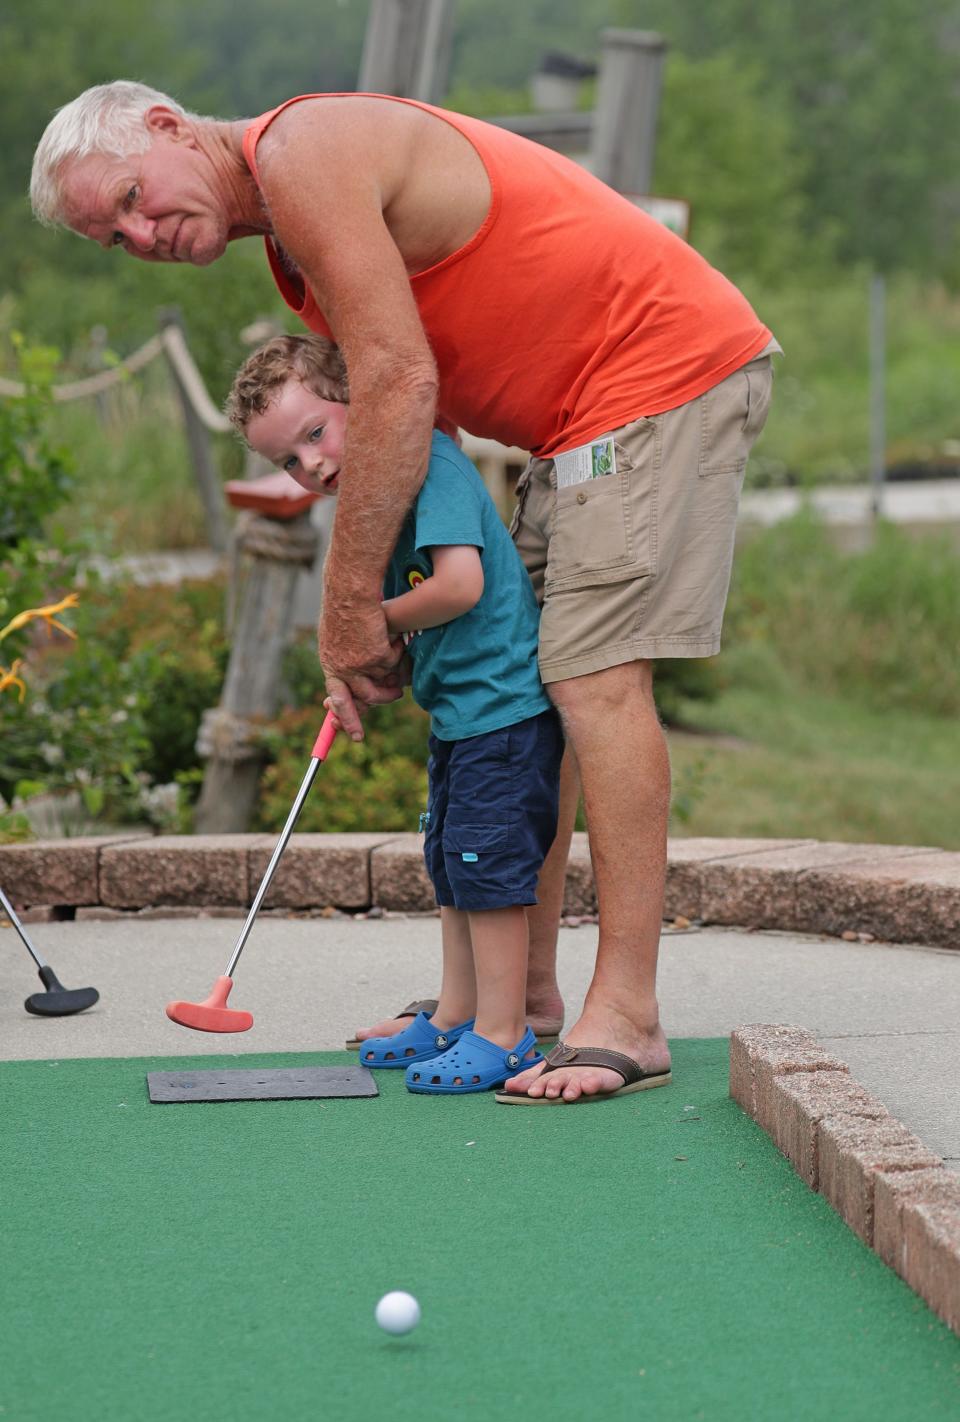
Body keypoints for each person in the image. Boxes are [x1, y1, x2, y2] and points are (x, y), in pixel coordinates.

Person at [31, 81, 778, 1103]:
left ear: (167, 128)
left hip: (654, 372)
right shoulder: (292, 249)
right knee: (531, 682)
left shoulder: (303, 151)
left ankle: (632, 1014)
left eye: (130, 197)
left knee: (597, 677)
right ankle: (521, 1000)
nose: (138, 231)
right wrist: (396, 597)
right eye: (112, 237)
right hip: (573, 422)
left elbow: (394, 380)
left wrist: (350, 613)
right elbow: (426, 443)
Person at [226, 332, 568, 1095]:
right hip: (460, 716)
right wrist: (381, 664)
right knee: (452, 863)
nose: (311, 464)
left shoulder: (430, 468)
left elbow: (457, 586)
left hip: (504, 716)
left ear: (361, 400)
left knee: (489, 868)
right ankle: (455, 1014)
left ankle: (506, 1035)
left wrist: (366, 621)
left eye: (315, 433)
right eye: (288, 459)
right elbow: (418, 622)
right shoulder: (371, 504)